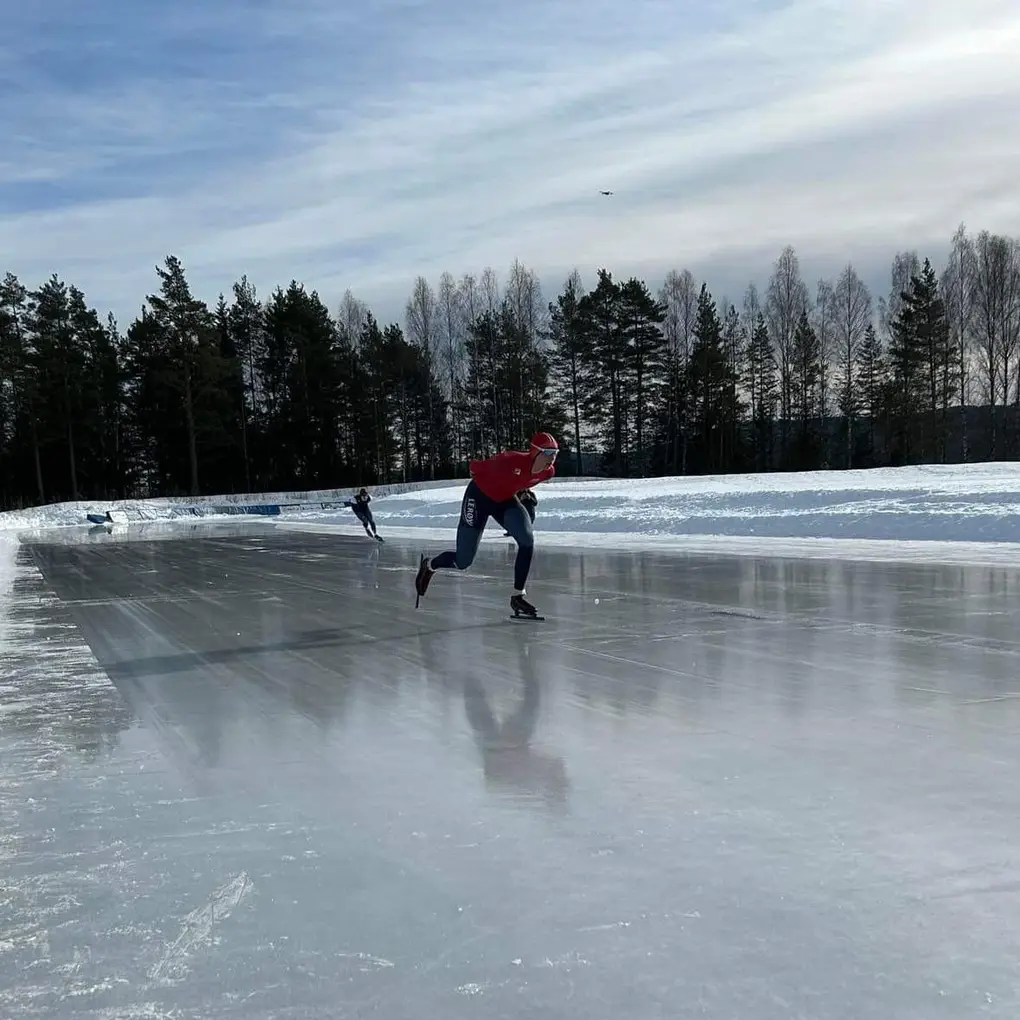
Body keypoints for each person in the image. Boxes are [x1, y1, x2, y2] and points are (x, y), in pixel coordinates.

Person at [414, 432, 558, 617]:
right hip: (478, 497)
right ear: (535, 452)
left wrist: (523, 492)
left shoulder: (548, 472)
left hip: (504, 501)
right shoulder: (510, 460)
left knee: (527, 540)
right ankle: (430, 565)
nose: (552, 458)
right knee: (463, 561)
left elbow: (522, 480)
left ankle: (518, 596)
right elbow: (475, 468)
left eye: (555, 453)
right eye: (547, 452)